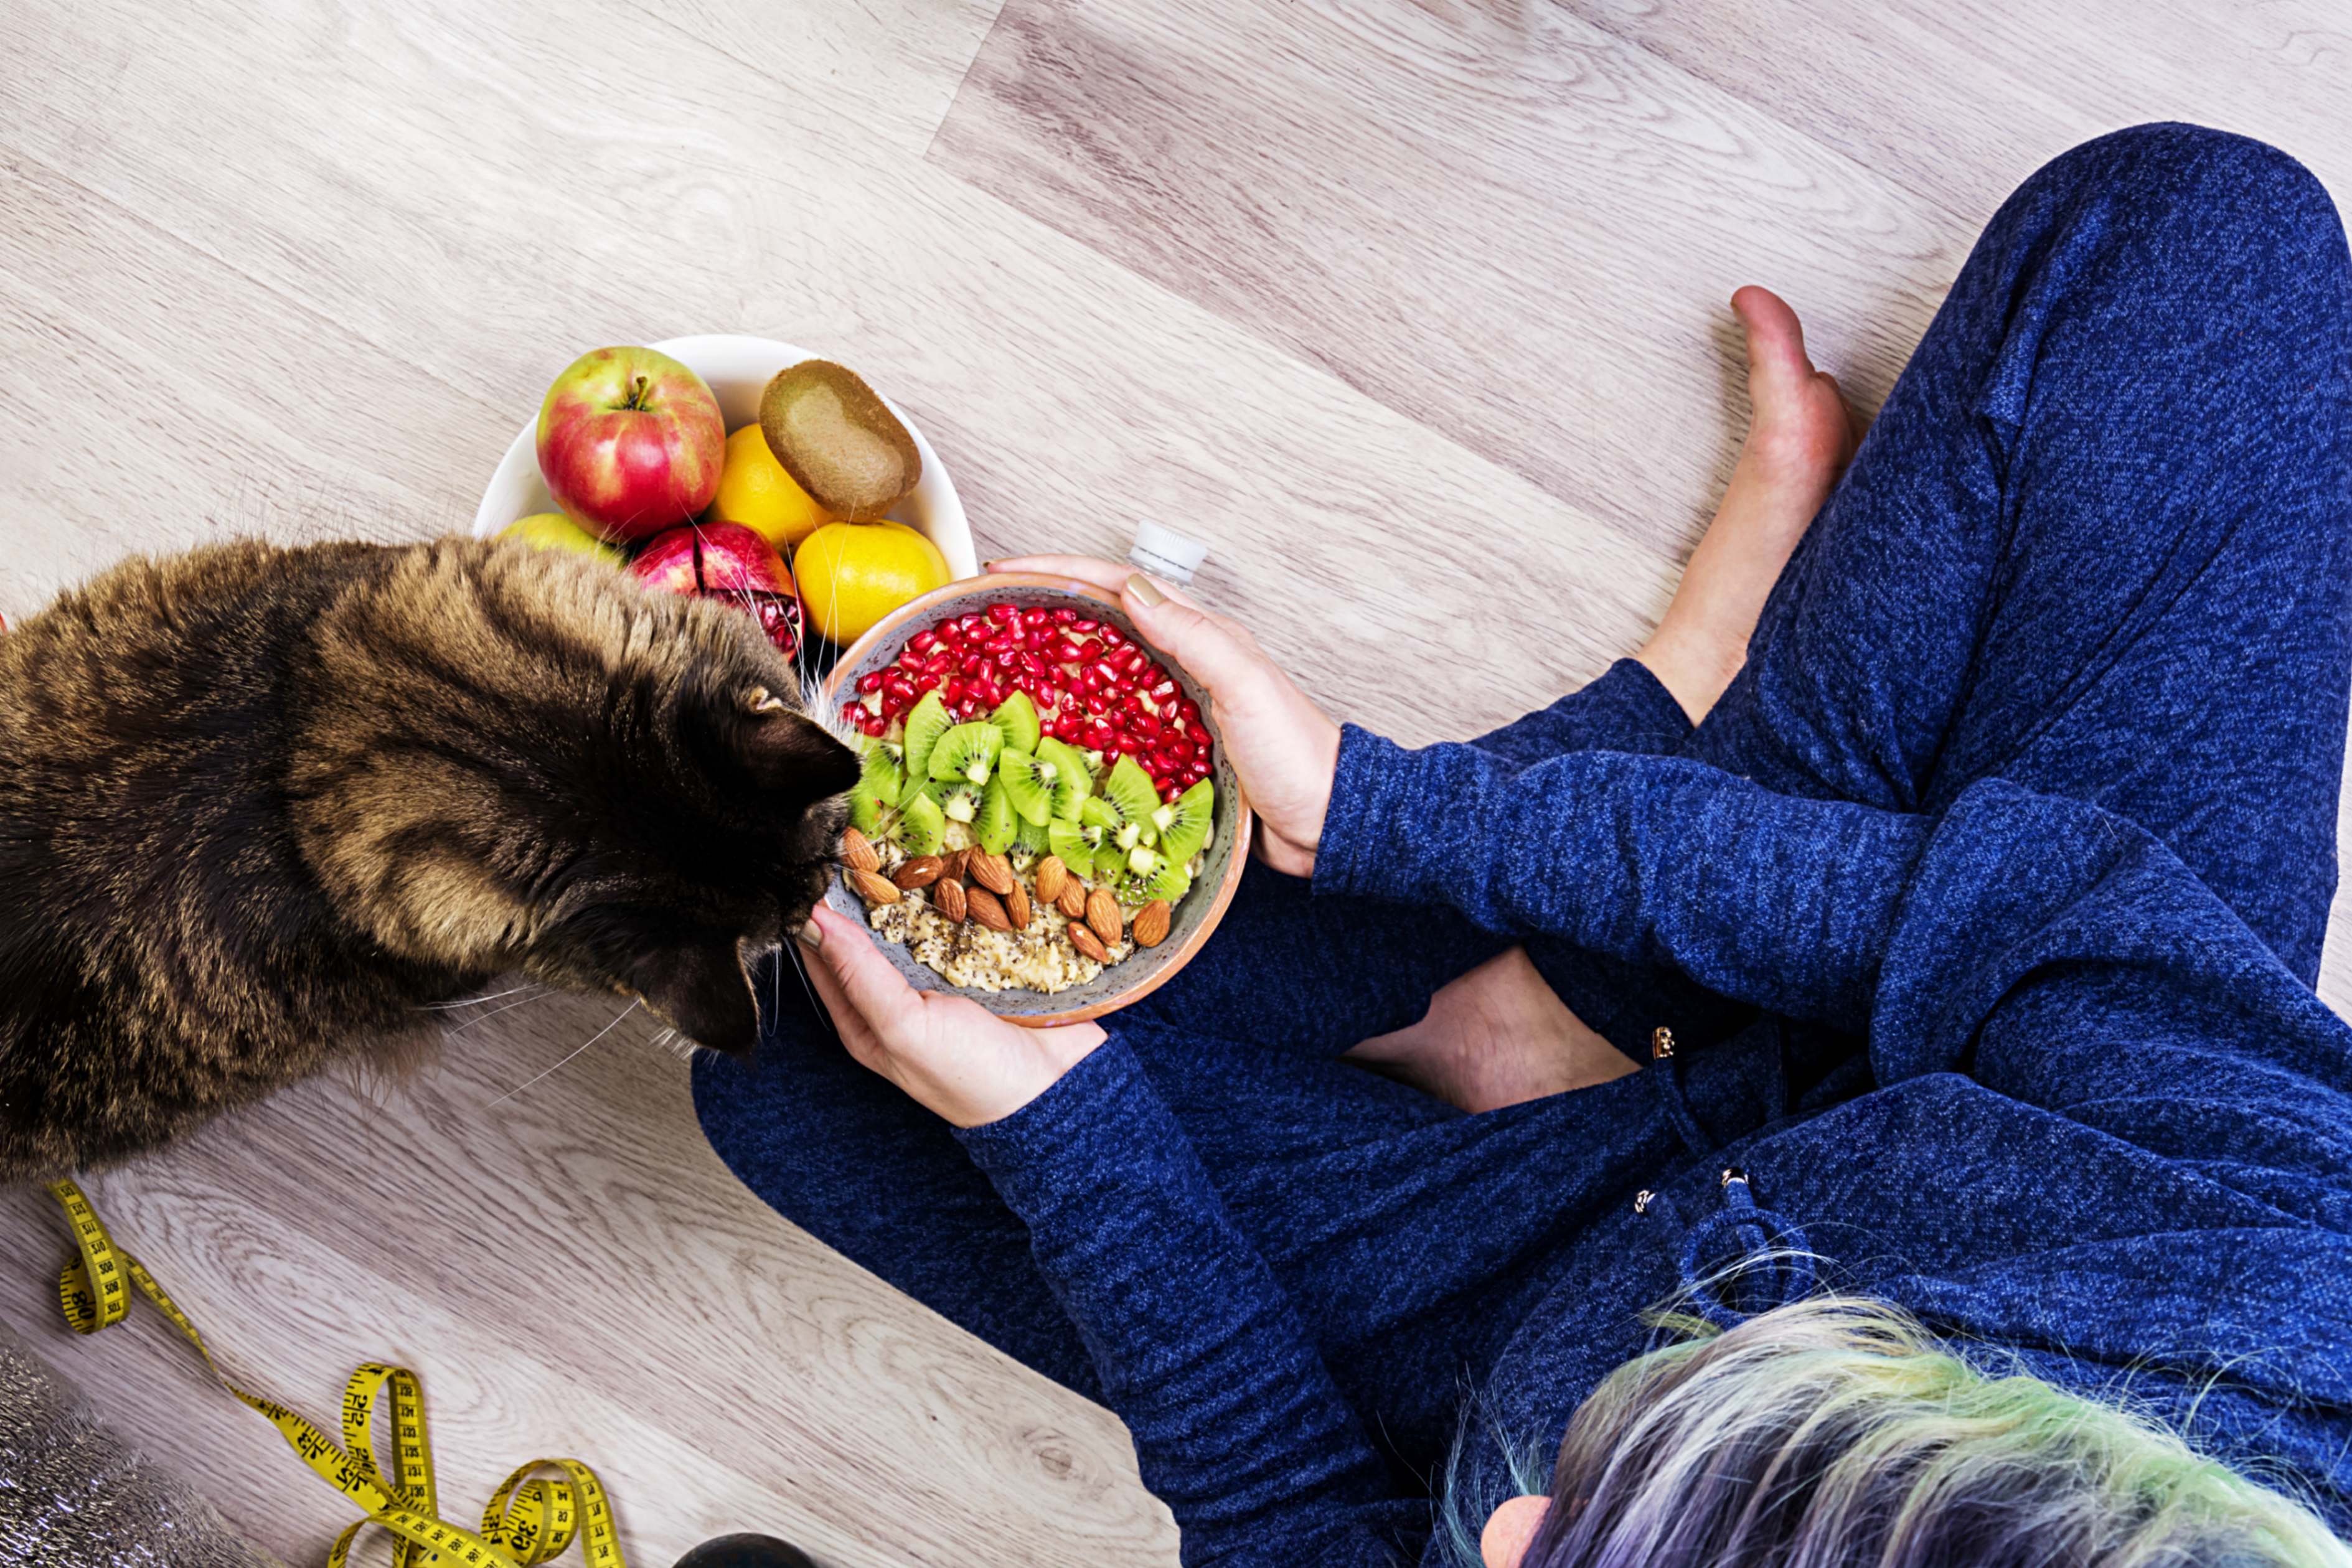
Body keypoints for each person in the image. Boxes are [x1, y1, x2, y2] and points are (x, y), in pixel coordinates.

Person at [694, 124, 2352, 1566]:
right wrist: (1386, 808)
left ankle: (1590, 940)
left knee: (786, 1055)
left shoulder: (1493, 1528)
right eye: (1621, 1516)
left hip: (1516, 1300)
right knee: (2196, 246)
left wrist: (1063, 1138)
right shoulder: (2294, 1322)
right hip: (2040, 1072)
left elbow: (1305, 1522)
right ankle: (1641, 838)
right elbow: (2014, 918)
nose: (1491, 1537)